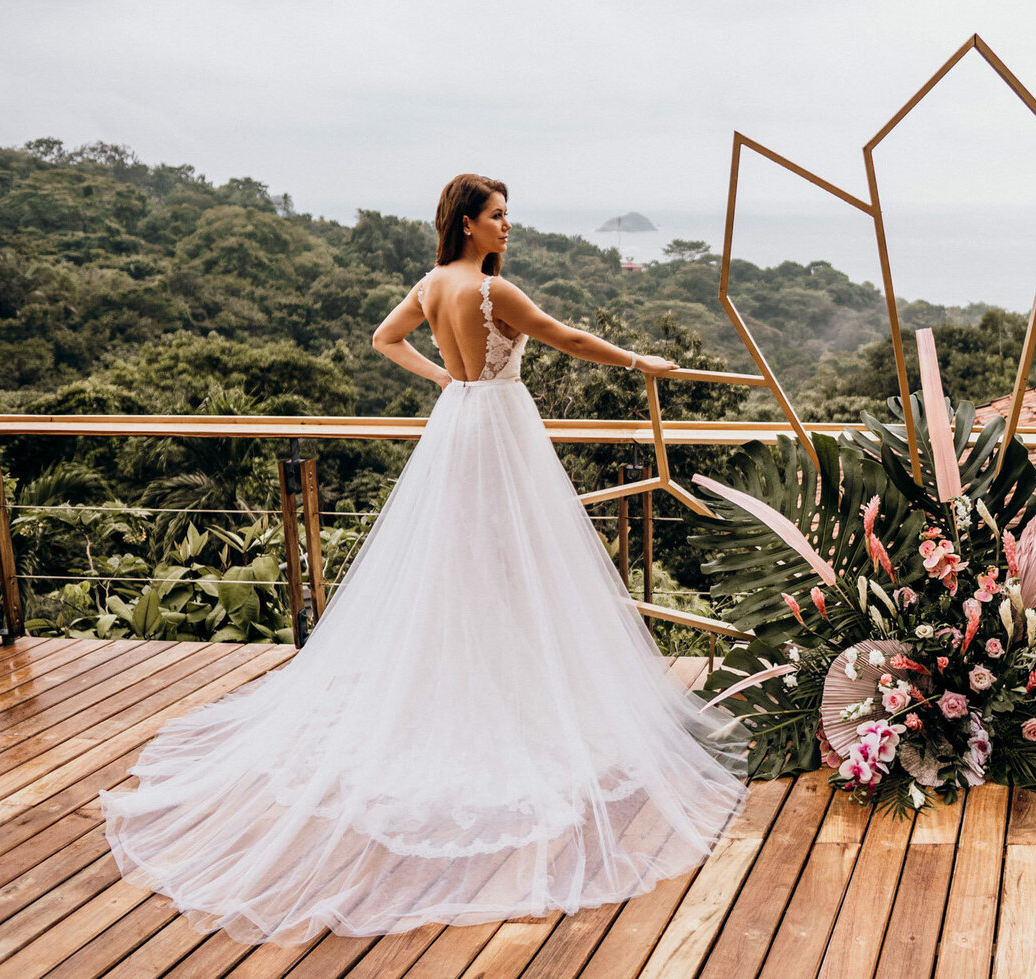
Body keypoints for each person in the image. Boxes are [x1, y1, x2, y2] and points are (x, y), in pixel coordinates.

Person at [98, 174, 750, 946]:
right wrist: (645, 362)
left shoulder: (432, 283)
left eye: (509, 216)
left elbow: (384, 339)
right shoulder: (486, 290)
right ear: (468, 224)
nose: (510, 227)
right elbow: (566, 337)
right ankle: (515, 698)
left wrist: (445, 378)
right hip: (502, 431)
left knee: (462, 571)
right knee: (514, 568)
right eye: (499, 216)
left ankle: (475, 687)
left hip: (458, 425)